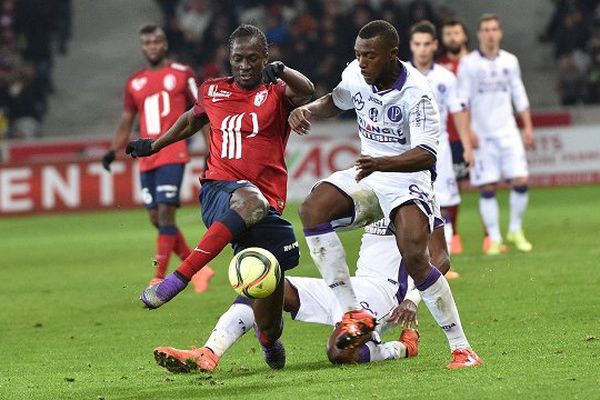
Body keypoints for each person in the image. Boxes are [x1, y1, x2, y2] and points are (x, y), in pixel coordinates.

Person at [288, 20, 481, 368]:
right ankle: (351, 311)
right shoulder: (356, 73)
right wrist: (308, 109)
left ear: (392, 55)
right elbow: (336, 100)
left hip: (407, 178)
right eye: (358, 55)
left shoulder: (417, 93)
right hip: (371, 172)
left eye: (369, 56)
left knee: (415, 257)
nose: (362, 62)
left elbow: (427, 153)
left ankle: (462, 348)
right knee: (313, 209)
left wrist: (383, 162)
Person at [126, 24, 315, 369]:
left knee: (267, 291)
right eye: (237, 58)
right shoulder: (212, 91)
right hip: (220, 191)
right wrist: (153, 145)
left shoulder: (275, 92)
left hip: (267, 206)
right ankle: (178, 279)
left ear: (264, 58)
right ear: (229, 58)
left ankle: (268, 340)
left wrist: (283, 70)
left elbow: (308, 90)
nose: (244, 65)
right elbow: (189, 121)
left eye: (252, 59)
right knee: (250, 202)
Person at [152, 218, 422, 372]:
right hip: (347, 285)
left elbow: (438, 262)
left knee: (338, 354)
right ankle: (209, 353)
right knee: (268, 285)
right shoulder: (377, 190)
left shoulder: (417, 201)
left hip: (384, 295)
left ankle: (401, 348)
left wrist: (412, 299)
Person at [102, 24, 214, 291]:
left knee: (165, 214)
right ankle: (198, 269)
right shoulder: (134, 82)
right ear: (142, 47)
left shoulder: (181, 73)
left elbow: (202, 109)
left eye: (157, 41)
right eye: (147, 43)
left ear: (165, 44)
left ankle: (159, 277)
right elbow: (127, 120)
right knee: (156, 218)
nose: (152, 46)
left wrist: (211, 148)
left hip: (172, 152)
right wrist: (114, 149)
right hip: (146, 156)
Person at [457, 14, 534, 255]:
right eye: (485, 30)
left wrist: (528, 126)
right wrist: (468, 131)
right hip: (482, 134)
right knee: (487, 186)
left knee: (520, 180)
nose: (490, 34)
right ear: (479, 34)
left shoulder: (510, 61)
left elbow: (518, 94)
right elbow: (461, 101)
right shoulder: (469, 63)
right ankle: (495, 238)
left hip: (508, 131)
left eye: (493, 29)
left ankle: (515, 229)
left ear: (499, 33)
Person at [409, 20, 472, 280]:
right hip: (409, 149)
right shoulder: (402, 75)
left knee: (444, 201)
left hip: (440, 147)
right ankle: (413, 261)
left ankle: (442, 264)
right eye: (417, 44)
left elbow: (458, 113)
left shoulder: (446, 78)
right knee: (412, 205)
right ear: (411, 46)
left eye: (426, 44)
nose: (422, 49)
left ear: (435, 45)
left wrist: (467, 146)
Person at [436, 18, 470, 255]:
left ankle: (492, 235)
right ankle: (451, 235)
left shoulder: (473, 64)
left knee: (475, 183)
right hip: (448, 137)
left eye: (456, 33)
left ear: (464, 36)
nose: (452, 38)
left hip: (470, 134)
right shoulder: (441, 68)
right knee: (450, 185)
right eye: (448, 34)